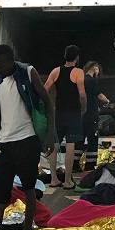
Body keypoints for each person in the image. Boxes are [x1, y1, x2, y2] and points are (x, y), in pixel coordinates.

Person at [0, 44, 56, 230]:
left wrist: (50, 135)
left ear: (12, 61)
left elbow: (48, 104)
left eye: (0, 65)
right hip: (5, 142)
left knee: (29, 186)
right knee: (0, 188)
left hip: (27, 140)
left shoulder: (28, 72)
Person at [44, 45, 87, 188]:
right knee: (70, 146)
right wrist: (84, 107)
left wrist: (49, 106)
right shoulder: (78, 72)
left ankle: (53, 179)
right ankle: (68, 180)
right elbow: (81, 94)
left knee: (54, 145)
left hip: (58, 113)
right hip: (73, 113)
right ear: (77, 58)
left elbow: (45, 89)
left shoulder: (56, 71)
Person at [81, 61, 111, 171]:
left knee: (80, 139)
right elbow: (99, 95)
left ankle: (75, 164)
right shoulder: (92, 81)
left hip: (81, 115)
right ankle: (90, 166)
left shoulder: (81, 80)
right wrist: (107, 101)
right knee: (92, 140)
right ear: (95, 69)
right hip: (91, 114)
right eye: (98, 70)